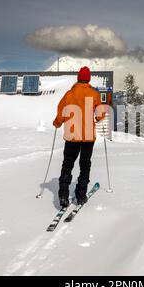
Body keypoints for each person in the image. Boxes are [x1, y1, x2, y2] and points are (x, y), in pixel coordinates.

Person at [53, 66, 105, 207]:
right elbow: (100, 114)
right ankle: (81, 195)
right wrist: (98, 118)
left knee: (68, 163)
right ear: (88, 79)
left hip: (71, 135)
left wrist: (57, 123)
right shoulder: (94, 94)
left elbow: (61, 113)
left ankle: (63, 194)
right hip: (88, 136)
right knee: (85, 164)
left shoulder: (69, 94)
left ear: (78, 78)